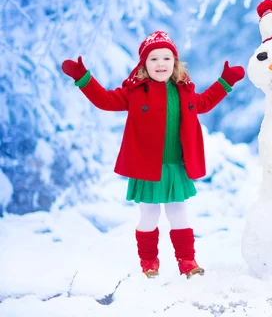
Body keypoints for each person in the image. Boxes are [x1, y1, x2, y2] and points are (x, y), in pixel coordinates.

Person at [61, 31, 245, 278]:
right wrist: (83, 78)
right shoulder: (135, 91)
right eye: (154, 59)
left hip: (175, 165)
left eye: (166, 58)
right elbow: (104, 100)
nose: (161, 64)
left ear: (175, 63)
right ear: (144, 65)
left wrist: (225, 82)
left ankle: (187, 262)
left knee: (178, 212)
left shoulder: (184, 90)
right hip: (148, 167)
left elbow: (204, 103)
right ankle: (149, 263)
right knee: (150, 213)